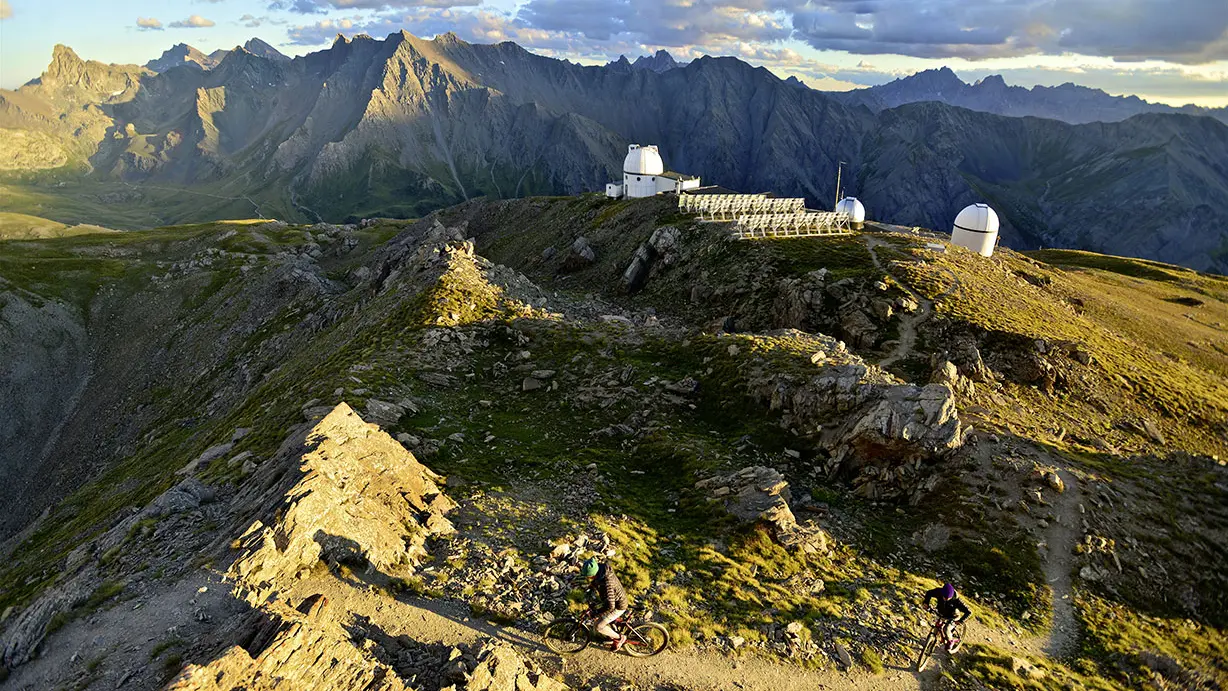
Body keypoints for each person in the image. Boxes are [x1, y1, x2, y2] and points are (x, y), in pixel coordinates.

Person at [581, 557, 629, 652]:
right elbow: (597, 581)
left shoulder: (607, 584)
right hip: (614, 599)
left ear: (593, 574)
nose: (587, 578)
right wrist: (591, 587)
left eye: (588, 576)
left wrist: (596, 613)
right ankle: (612, 635)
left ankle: (620, 638)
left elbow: (610, 606)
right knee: (602, 616)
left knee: (598, 626)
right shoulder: (602, 571)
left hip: (619, 605)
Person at [922, 582, 972, 652]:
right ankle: (931, 639)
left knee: (946, 629)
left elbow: (968, 612)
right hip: (942, 613)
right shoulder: (939, 592)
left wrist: (960, 621)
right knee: (937, 625)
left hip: (953, 616)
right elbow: (929, 593)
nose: (945, 599)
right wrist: (926, 603)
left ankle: (950, 641)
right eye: (944, 597)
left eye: (948, 598)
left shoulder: (957, 601)